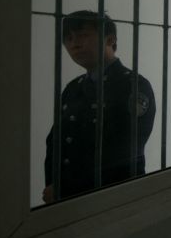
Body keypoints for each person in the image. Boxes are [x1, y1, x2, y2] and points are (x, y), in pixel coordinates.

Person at [43, 11, 156, 204]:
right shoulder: (73, 87)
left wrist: (66, 188)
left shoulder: (133, 85)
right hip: (69, 201)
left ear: (110, 39)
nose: (74, 44)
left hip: (115, 197)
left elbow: (124, 148)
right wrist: (53, 184)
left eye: (83, 35)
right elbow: (55, 142)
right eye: (68, 38)